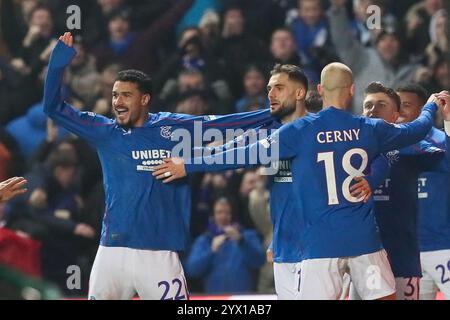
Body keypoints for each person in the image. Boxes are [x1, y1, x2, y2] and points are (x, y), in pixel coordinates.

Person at [153, 62, 444, 300]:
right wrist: (431, 106)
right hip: (363, 242)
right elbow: (415, 130)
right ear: (352, 90)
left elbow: (244, 154)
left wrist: (189, 164)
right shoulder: (369, 128)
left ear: (318, 89)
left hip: (318, 248)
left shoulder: (299, 132)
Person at [43, 32, 276, 300]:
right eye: (115, 95)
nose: (117, 102)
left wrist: (273, 115)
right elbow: (53, 108)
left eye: (126, 96)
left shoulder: (172, 129)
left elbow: (222, 125)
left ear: (144, 99)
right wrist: (59, 62)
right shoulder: (104, 131)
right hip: (112, 251)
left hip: (158, 255)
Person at [346, 82, 446, 300]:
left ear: (395, 115)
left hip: (401, 259)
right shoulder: (347, 152)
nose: (372, 110)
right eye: (368, 105)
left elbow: (446, 160)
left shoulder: (410, 149)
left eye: (381, 104)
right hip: (360, 257)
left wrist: (447, 121)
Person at [397, 84, 450, 299]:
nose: (399, 111)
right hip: (407, 253)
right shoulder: (389, 143)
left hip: (444, 246)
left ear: (424, 109)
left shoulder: (441, 141)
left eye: (406, 105)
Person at [184, 197, 266, 293]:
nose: (223, 216)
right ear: (213, 215)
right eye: (219, 212)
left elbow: (259, 261)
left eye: (227, 212)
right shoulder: (205, 240)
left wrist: (241, 241)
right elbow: (192, 270)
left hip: (243, 297)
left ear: (233, 214)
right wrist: (211, 251)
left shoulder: (248, 236)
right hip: (214, 298)